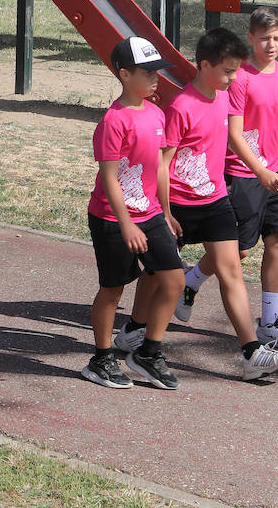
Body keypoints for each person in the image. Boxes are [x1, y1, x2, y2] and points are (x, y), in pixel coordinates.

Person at [164, 27, 278, 381]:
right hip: (187, 199)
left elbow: (261, 125)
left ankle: (254, 350)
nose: (234, 78)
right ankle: (137, 333)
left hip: (216, 199)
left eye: (236, 71)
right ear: (206, 65)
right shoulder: (182, 105)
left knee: (235, 267)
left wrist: (274, 157)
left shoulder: (229, 93)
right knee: (160, 281)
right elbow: (163, 164)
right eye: (228, 71)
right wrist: (162, 212)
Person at [81, 37, 186, 389]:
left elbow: (157, 168)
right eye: (148, 72)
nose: (157, 78)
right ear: (125, 75)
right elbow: (109, 178)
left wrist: (166, 212)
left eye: (158, 71)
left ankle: (148, 353)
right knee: (112, 290)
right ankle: (101, 359)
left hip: (151, 213)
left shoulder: (156, 114)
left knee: (174, 279)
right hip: (112, 218)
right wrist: (125, 223)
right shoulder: (113, 121)